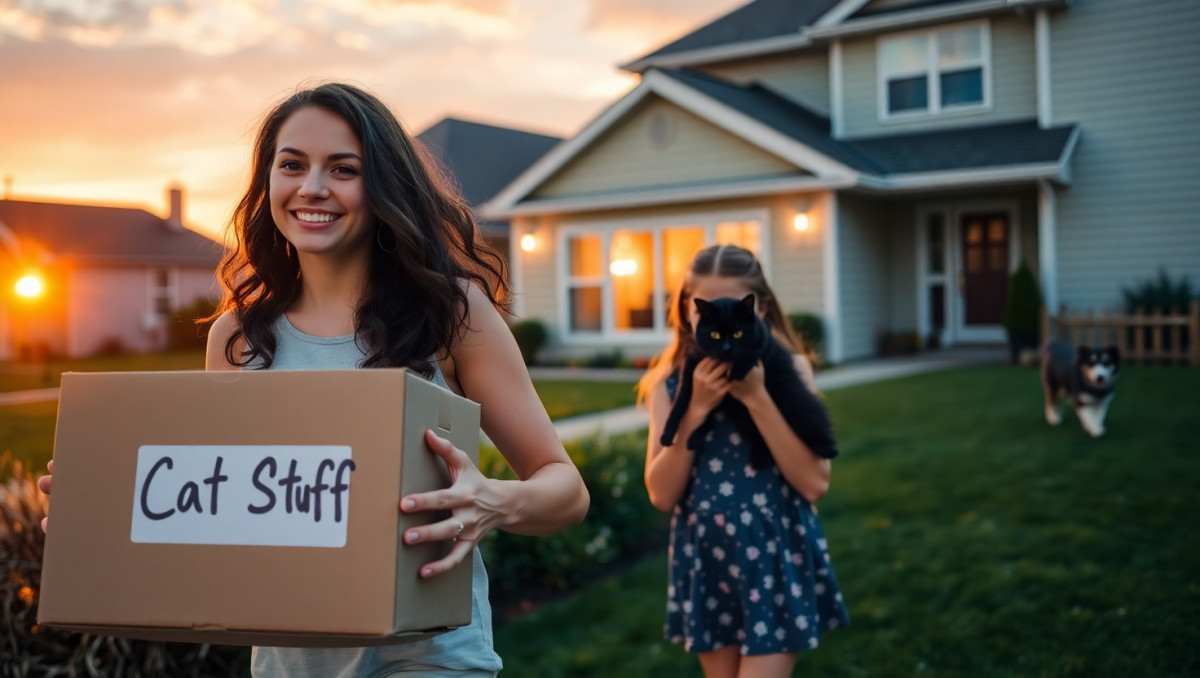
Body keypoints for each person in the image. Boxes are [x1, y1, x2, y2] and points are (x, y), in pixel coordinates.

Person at [38, 82, 590, 677]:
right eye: (292, 165)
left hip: (429, 658)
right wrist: (102, 506)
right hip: (288, 663)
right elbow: (223, 506)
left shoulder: (453, 313)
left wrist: (493, 501)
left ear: (383, 186)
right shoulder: (237, 338)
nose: (313, 187)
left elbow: (565, 490)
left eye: (343, 169)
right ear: (268, 183)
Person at [638, 244, 848, 678]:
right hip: (708, 555)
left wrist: (756, 398)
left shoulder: (789, 370)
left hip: (772, 550)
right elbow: (661, 493)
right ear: (688, 312)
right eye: (706, 309)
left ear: (760, 310)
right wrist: (694, 410)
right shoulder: (669, 385)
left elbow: (814, 483)